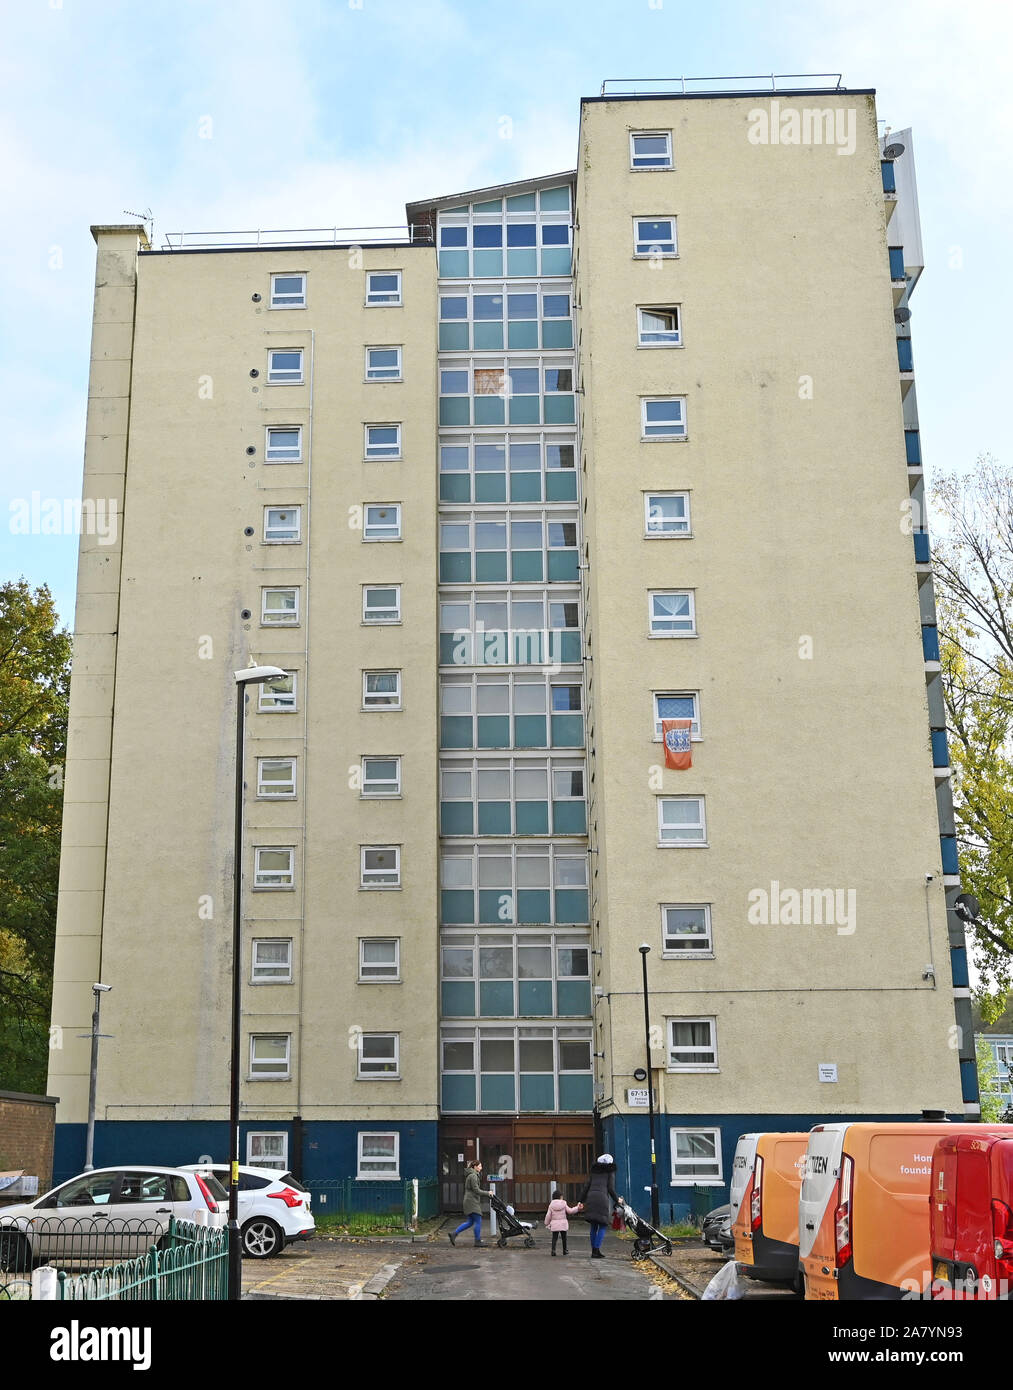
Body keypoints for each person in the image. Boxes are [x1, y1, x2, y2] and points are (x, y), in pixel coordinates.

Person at [577, 1153, 623, 1259]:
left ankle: (594, 1250)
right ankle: (596, 1250)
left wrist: (580, 1200)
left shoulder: (594, 1172)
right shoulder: (609, 1172)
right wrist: (617, 1199)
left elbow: (587, 1186)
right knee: (602, 1225)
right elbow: (610, 1188)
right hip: (602, 1199)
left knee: (593, 1225)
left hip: (591, 1198)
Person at [448, 1160, 493, 1247]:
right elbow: (476, 1190)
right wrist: (488, 1193)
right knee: (478, 1220)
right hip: (472, 1201)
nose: (481, 1168)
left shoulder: (472, 1175)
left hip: (469, 1200)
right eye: (480, 1166)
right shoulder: (473, 1176)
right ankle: (477, 1241)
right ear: (475, 1167)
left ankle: (454, 1234)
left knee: (470, 1222)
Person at [543, 1189, 580, 1256]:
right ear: (560, 1197)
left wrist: (546, 1223)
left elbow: (548, 1215)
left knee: (554, 1238)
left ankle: (553, 1251)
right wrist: (577, 1208)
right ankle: (565, 1250)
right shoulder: (564, 1203)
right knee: (564, 1238)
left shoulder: (551, 1205)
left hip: (555, 1224)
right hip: (563, 1224)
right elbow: (570, 1211)